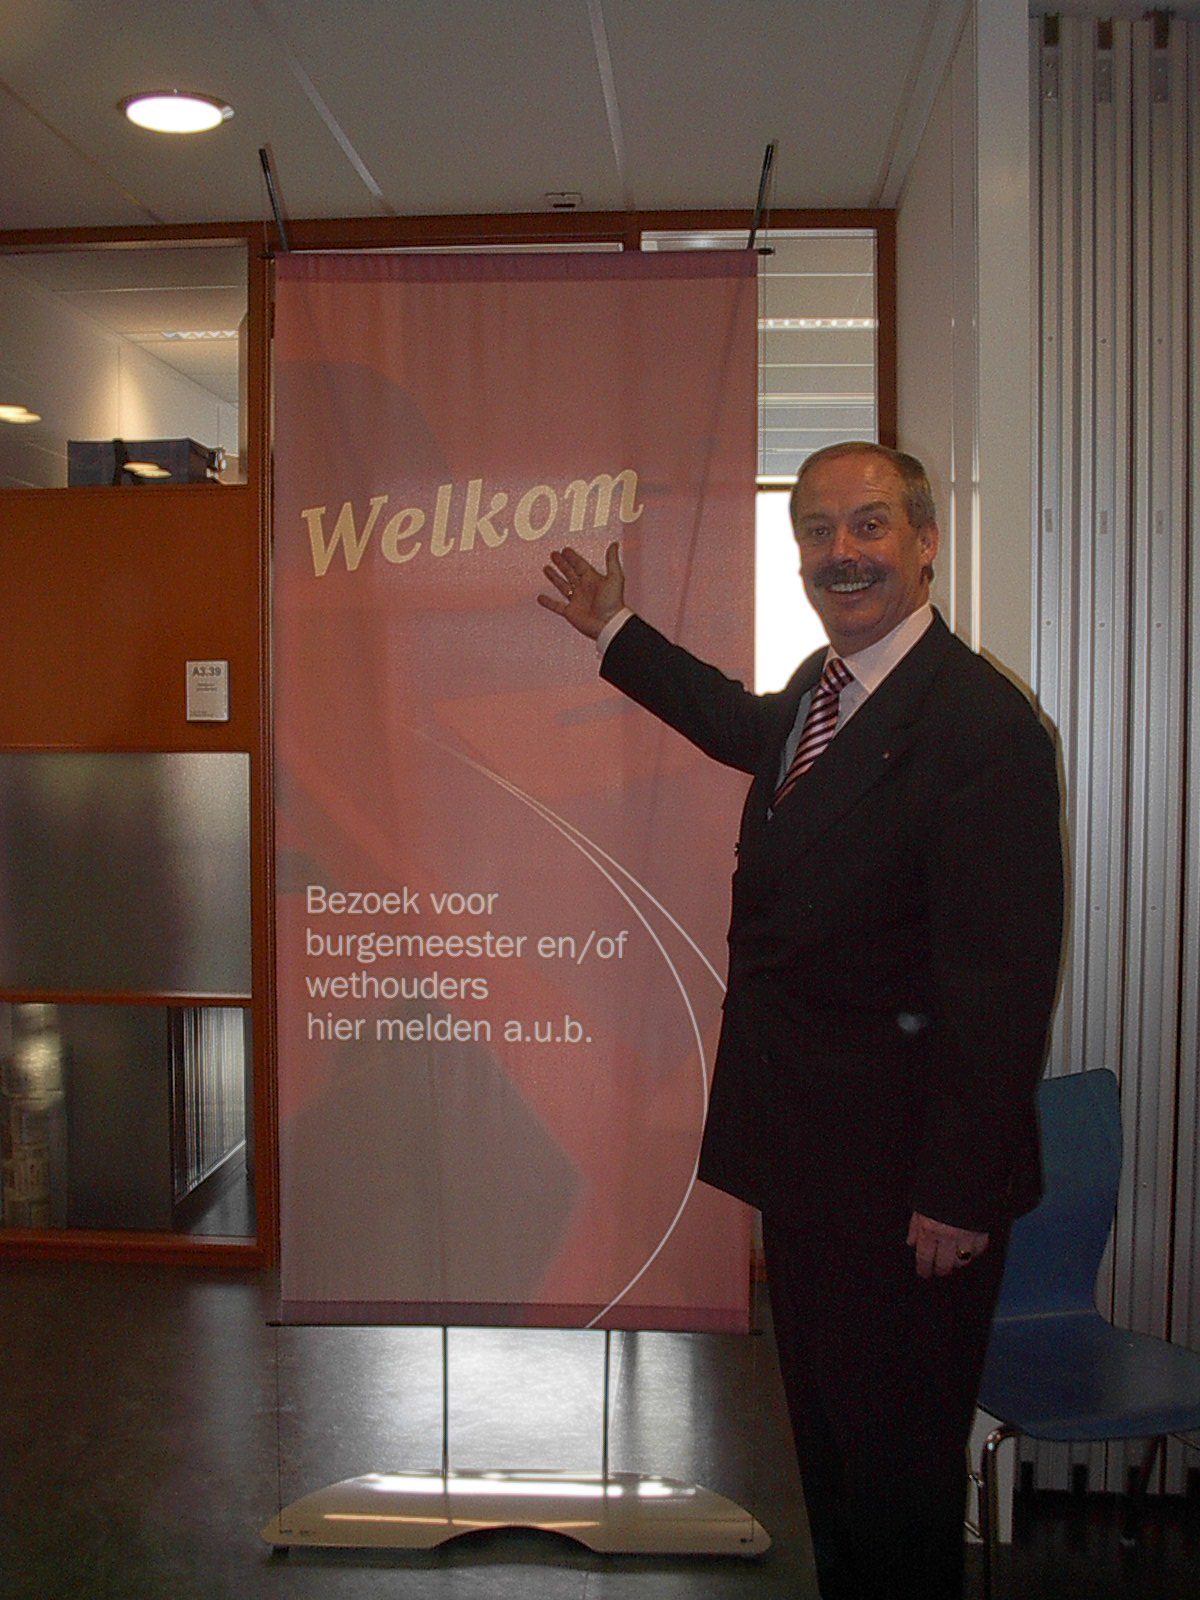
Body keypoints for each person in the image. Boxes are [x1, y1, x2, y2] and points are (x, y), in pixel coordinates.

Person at [538, 440, 1064, 1600]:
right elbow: (736, 720)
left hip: (910, 1192)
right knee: (831, 1457)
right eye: (818, 530)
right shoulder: (823, 696)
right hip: (811, 1161)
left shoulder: (982, 729)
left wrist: (957, 1191)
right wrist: (615, 630)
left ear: (926, 542)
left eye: (869, 524)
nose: (842, 552)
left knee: (898, 1480)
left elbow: (1001, 985)